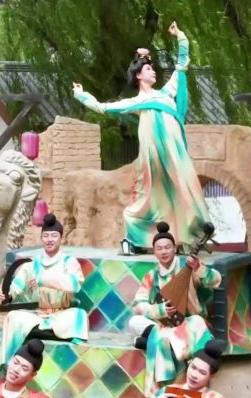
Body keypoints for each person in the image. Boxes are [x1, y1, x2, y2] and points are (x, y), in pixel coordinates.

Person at [72, 21, 210, 251]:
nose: (153, 71)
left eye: (152, 69)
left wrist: (180, 37)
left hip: (174, 151)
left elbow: (181, 66)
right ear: (138, 75)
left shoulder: (166, 93)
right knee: (153, 194)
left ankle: (192, 230)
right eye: (148, 69)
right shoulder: (137, 102)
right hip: (154, 154)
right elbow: (104, 108)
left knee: (183, 183)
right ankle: (138, 235)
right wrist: (81, 94)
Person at [128, 221, 222, 394]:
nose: (164, 252)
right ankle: (161, 338)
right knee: (134, 321)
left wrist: (199, 268)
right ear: (154, 251)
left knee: (197, 322)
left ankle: (150, 340)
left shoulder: (188, 267)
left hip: (187, 323)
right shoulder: (151, 276)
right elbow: (138, 304)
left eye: (167, 247)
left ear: (174, 248)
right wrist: (159, 310)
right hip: (163, 324)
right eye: (159, 248)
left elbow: (216, 280)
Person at [0, 213, 88, 371]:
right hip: (38, 315)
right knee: (13, 317)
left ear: (61, 238)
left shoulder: (69, 262)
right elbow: (17, 286)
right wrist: (7, 295)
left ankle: (41, 331)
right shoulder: (32, 264)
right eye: (46, 236)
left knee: (79, 316)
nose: (49, 239)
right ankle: (9, 364)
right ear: (41, 238)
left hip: (62, 314)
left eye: (54, 235)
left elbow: (74, 284)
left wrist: (43, 279)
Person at [135, 340, 241, 398]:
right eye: (193, 367)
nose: (194, 375)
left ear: (212, 376)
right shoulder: (168, 391)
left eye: (202, 372)